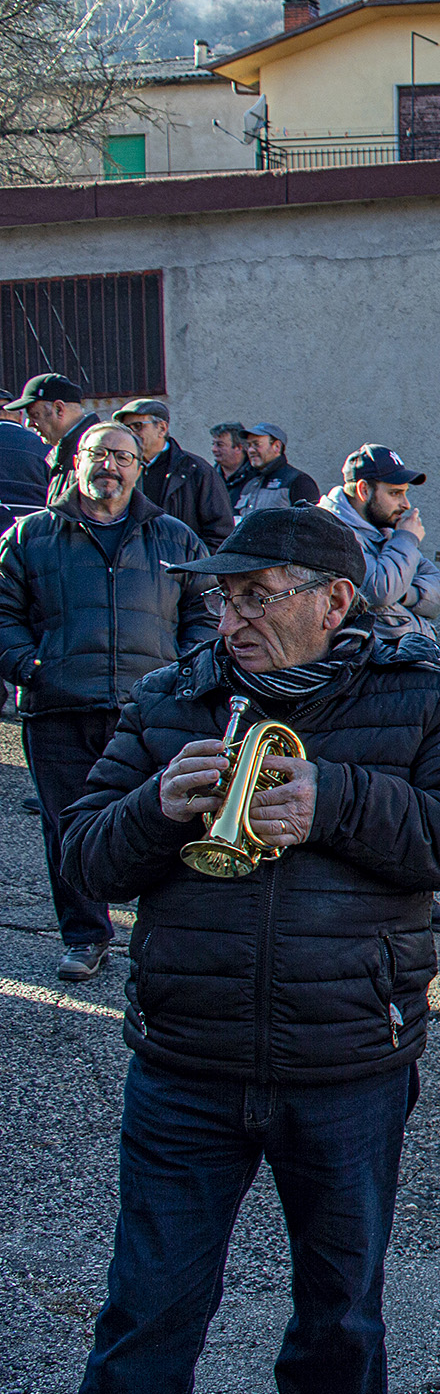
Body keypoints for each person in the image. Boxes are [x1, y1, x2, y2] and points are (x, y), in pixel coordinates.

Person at [59, 505, 440, 1394]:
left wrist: (337, 800)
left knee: (339, 1309)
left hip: (349, 1060)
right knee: (148, 1306)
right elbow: (85, 863)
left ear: (334, 602)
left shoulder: (422, 693)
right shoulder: (169, 699)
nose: (231, 623)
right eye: (223, 601)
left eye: (257, 598)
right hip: (188, 1061)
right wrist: (152, 810)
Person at [0, 422, 215, 982]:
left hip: (152, 709)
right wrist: (30, 665)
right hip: (59, 706)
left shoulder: (173, 537)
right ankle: (85, 937)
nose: (110, 466)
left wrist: (183, 672)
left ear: (140, 467)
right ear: (76, 462)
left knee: (168, 819)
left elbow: (205, 612)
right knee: (69, 827)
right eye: (98, 454)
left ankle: (162, 934)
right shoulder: (31, 536)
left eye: (122, 456)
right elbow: (1, 614)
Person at [320, 444, 440, 642]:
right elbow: (381, 591)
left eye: (405, 493)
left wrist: (405, 593)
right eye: (395, 493)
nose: (406, 504)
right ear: (364, 490)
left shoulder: (387, 531)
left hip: (400, 660)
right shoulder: (331, 530)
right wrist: (407, 539)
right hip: (364, 665)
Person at [115, 398, 234, 548]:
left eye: (138, 426)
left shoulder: (196, 471)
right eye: (126, 428)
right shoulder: (120, 468)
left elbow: (220, 533)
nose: (131, 434)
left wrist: (189, 566)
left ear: (162, 429)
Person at [7, 371, 104, 506]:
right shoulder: (63, 453)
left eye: (35, 415)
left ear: (59, 409)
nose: (28, 424)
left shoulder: (96, 453)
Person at [230, 423, 323, 516]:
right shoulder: (248, 482)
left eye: (256, 444)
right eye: (248, 445)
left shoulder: (298, 481)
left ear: (277, 447)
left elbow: (311, 523)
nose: (251, 450)